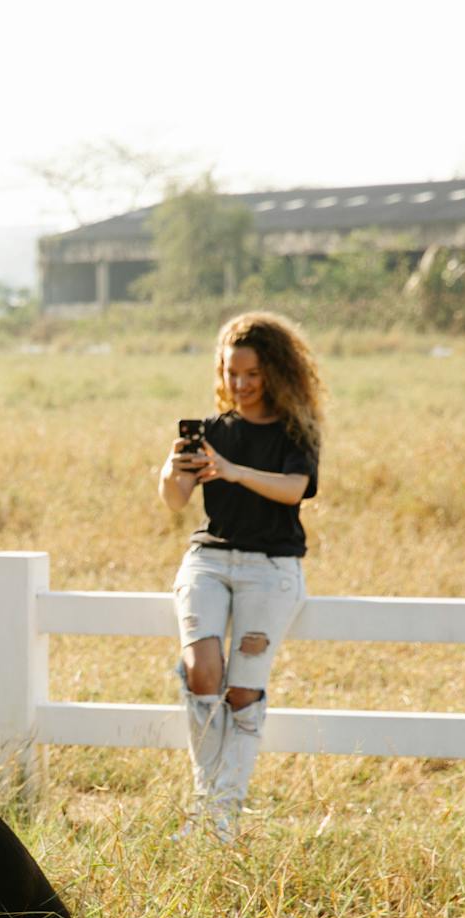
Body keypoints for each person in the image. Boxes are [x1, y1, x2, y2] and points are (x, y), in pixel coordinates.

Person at [155, 311, 324, 841]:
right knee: (202, 671)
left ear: (274, 371)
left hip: (270, 568)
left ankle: (217, 817)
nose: (240, 384)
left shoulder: (297, 430)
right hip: (209, 559)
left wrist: (232, 471)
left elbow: (294, 489)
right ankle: (211, 805)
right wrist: (171, 470)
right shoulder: (213, 431)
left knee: (242, 693)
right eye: (231, 373)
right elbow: (176, 502)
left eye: (251, 374)